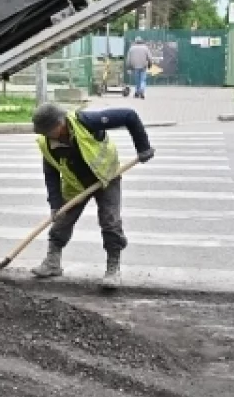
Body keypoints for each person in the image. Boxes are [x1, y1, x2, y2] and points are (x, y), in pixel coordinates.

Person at [30, 103, 155, 290]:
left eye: (49, 130)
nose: (46, 135)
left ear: (60, 123)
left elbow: (129, 115)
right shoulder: (47, 144)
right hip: (77, 185)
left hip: (107, 177)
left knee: (110, 221)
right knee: (62, 220)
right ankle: (52, 262)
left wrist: (143, 147)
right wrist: (55, 205)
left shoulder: (86, 122)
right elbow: (51, 176)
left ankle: (113, 269)